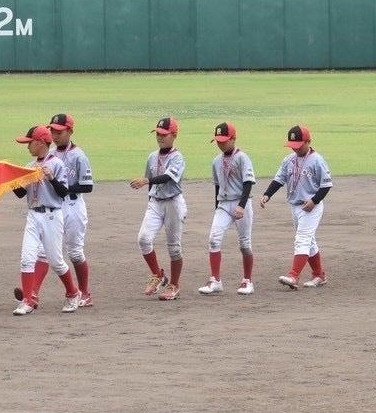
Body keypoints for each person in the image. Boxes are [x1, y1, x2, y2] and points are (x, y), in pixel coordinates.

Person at [9, 124, 84, 315]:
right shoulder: (30, 167)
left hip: (52, 216)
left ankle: (73, 293)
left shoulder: (56, 164)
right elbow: (20, 193)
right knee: (27, 258)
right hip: (33, 215)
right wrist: (11, 180)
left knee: (56, 261)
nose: (28, 147)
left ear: (41, 143)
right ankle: (28, 300)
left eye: (30, 143)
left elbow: (63, 192)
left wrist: (51, 178)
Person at [261, 125, 333, 289]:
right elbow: (279, 179)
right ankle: (319, 275)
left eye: (299, 145)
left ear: (308, 142)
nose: (295, 148)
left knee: (302, 239)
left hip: (311, 207)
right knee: (309, 241)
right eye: (293, 145)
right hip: (295, 206)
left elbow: (326, 185)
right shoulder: (289, 160)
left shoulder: (317, 160)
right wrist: (267, 194)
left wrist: (314, 200)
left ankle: (293, 275)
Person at [130, 116, 186, 301]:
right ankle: (158, 274)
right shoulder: (152, 157)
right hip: (155, 202)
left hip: (173, 203)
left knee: (174, 248)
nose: (160, 137)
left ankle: (174, 285)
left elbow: (167, 177)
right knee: (144, 239)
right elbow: (151, 184)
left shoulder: (177, 157)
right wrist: (149, 197)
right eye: (158, 134)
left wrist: (147, 180)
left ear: (174, 135)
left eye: (164, 134)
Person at [199, 122, 256, 295]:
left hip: (241, 203)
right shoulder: (216, 161)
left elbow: (248, 183)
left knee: (244, 244)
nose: (221, 144)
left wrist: (241, 206)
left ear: (233, 139)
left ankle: (247, 281)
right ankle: (215, 281)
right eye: (218, 141)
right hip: (223, 204)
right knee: (214, 239)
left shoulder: (242, 158)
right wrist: (216, 207)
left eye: (224, 141)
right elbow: (217, 186)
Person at [49, 113, 95, 307]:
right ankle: (31, 294)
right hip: (55, 205)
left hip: (73, 206)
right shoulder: (50, 153)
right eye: (52, 131)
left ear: (70, 131)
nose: (55, 135)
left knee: (75, 252)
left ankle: (85, 293)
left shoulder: (79, 155)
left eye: (59, 131)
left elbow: (87, 186)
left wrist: (63, 187)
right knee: (44, 250)